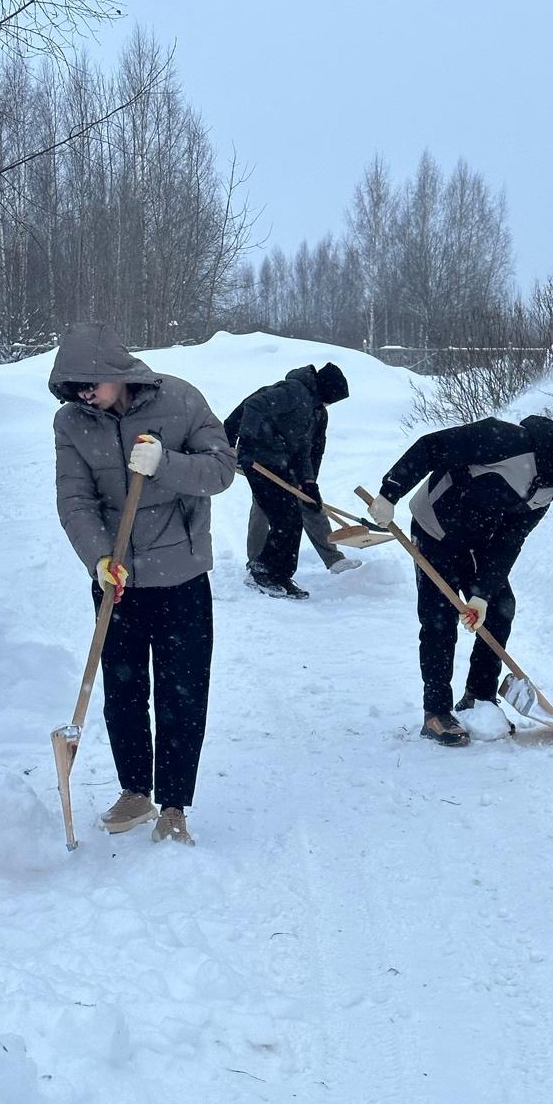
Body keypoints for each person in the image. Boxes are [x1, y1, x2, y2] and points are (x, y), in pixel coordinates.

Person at [49, 321, 236, 844]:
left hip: (182, 577)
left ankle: (174, 805)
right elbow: (75, 499)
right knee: (123, 690)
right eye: (74, 388)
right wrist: (99, 558)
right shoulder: (71, 422)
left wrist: (164, 464)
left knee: (182, 692)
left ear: (116, 371)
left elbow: (222, 470)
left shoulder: (180, 399)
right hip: (118, 580)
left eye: (91, 384)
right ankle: (135, 791)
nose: (85, 396)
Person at [368, 415, 553, 746]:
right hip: (435, 527)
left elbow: (510, 541)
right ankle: (436, 713)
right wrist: (390, 492)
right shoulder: (507, 441)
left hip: (478, 542)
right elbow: (433, 446)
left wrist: (481, 594)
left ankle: (479, 698)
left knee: (499, 608)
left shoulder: (547, 491)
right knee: (439, 619)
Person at [224, 362, 354, 598]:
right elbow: (253, 405)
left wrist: (309, 482)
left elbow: (303, 448)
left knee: (292, 520)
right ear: (325, 390)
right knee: (284, 519)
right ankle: (261, 571)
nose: (328, 406)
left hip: (279, 461)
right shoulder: (293, 391)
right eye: (330, 400)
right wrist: (245, 443)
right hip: (259, 459)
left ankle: (280, 575)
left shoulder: (312, 409)